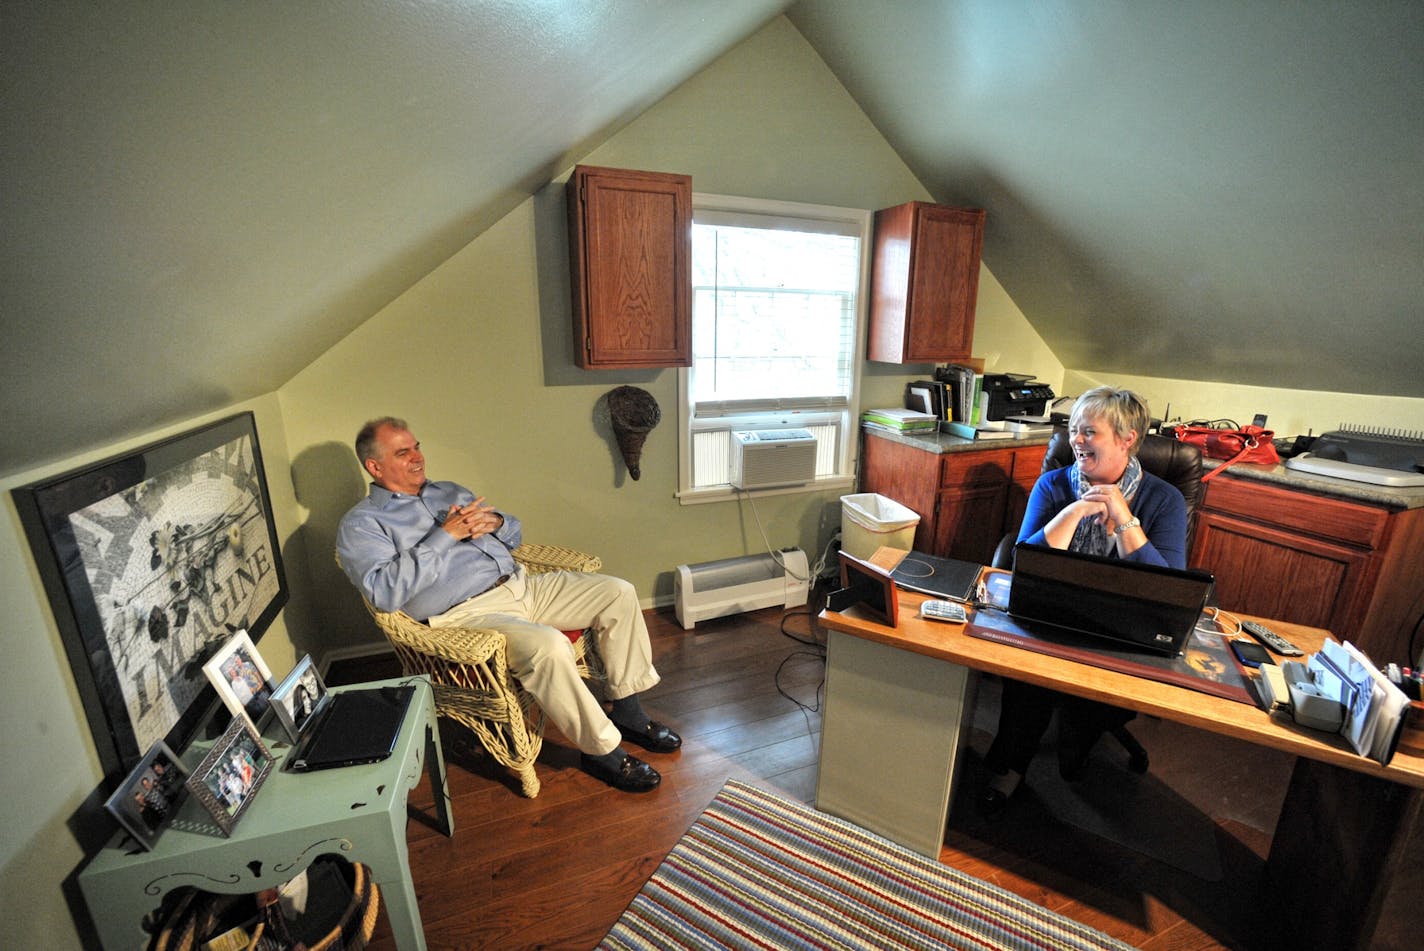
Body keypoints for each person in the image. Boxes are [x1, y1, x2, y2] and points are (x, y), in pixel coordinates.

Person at [335, 417, 679, 793]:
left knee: (619, 592)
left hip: (522, 585)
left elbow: (515, 535)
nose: (418, 457)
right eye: (404, 452)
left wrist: (496, 522)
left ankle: (628, 710)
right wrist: (444, 537)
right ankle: (602, 751)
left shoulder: (448, 490)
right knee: (548, 646)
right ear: (374, 466)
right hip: (468, 613)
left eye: (417, 446)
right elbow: (383, 592)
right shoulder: (363, 525)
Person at [980, 386, 1188, 814]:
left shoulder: (1164, 500)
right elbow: (1023, 565)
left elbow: (1166, 588)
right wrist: (1072, 513)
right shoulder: (1054, 485)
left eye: (1089, 432)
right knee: (1028, 682)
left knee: (1092, 712)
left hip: (1125, 626)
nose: (1076, 440)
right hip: (1055, 615)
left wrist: (1123, 518)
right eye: (1073, 430)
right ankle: (1011, 766)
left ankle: (1080, 741)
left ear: (1128, 438)